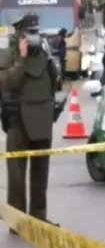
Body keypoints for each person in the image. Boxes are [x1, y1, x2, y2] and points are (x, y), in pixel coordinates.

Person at [0, 13, 61, 231]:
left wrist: (50, 55)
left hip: (42, 118)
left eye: (36, 31)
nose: (34, 36)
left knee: (40, 172)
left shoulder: (44, 53)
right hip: (17, 120)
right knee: (16, 173)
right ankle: (17, 221)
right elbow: (8, 83)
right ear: (19, 33)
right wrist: (22, 58)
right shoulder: (7, 54)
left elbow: (57, 83)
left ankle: (38, 217)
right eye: (29, 32)